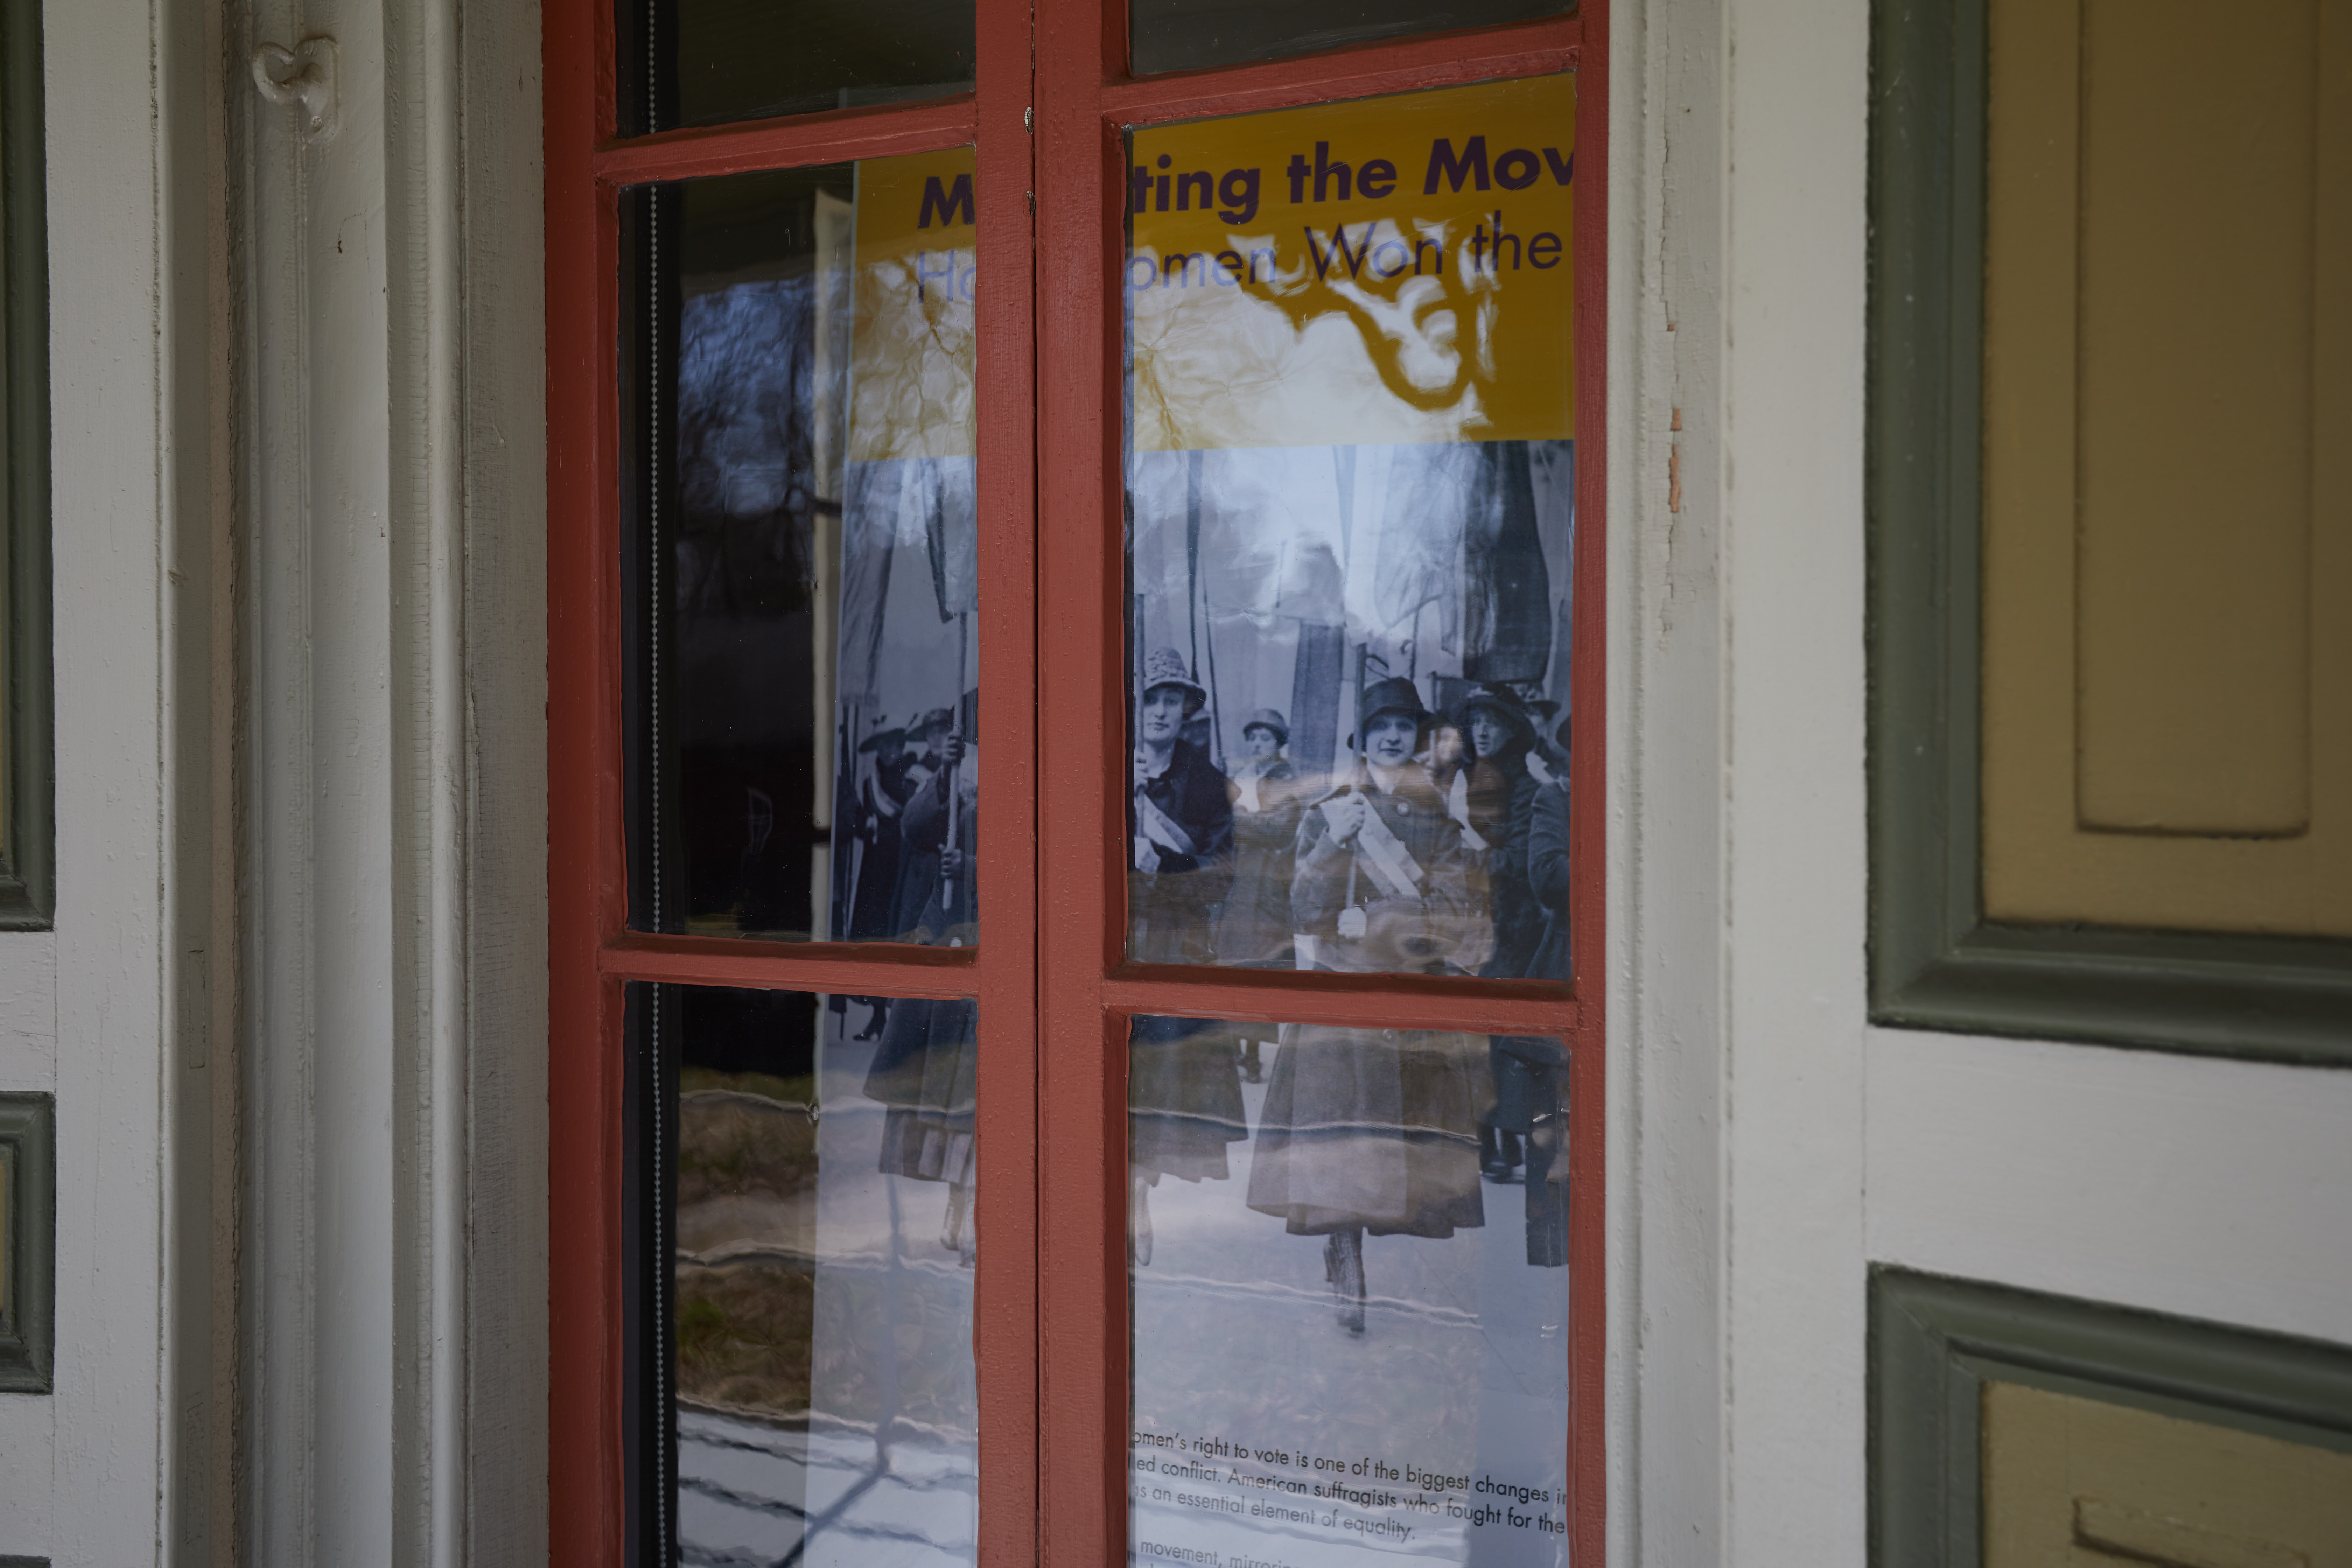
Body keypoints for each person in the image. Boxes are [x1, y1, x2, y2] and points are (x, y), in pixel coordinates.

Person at [1247, 677, 1490, 1333]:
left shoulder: (1438, 817)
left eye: (1404, 727)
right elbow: (1299, 909)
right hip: (1340, 995)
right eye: (1381, 724)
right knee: (1341, 1144)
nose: (1392, 736)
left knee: (1393, 1154)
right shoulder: (1330, 807)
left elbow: (1452, 913)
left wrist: (1380, 916)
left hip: (1404, 995)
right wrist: (1331, 844)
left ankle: (1371, 1250)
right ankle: (1343, 1252)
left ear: (1415, 739)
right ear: (1363, 735)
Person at [1126, 649, 1244, 1266]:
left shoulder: (1206, 783)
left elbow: (1221, 876)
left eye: (1173, 699)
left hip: (1171, 944)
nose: (1161, 710)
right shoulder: (1102, 765)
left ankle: (1137, 1191)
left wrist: (1166, 863)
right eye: (1151, 697)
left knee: (1154, 1079)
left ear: (1188, 710)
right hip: (1108, 940)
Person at [1459, 684, 1574, 1268]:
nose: (1482, 730)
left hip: (1520, 933)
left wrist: (1469, 851)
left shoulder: (1528, 785)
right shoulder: (1470, 775)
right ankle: (1492, 1140)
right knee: (1490, 1050)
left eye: (1492, 721)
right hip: (1487, 925)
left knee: (1511, 1056)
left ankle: (1501, 1139)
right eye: (1474, 720)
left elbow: (1529, 868)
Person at [861, 728, 982, 1262]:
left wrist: (977, 869)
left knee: (984, 1097)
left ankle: (982, 1210)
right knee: (949, 1094)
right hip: (953, 941)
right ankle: (959, 1206)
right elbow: (914, 829)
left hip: (1008, 941)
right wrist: (946, 775)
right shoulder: (963, 780)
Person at [1213, 709, 1304, 1082]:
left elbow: (1280, 828)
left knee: (1258, 969)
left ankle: (1252, 1054)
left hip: (1266, 888)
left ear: (1278, 743)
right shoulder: (1240, 777)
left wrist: (1237, 820)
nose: (1257, 744)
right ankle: (1232, 1047)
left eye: (1266, 738)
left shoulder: (1285, 779)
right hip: (1235, 886)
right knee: (1230, 965)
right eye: (1253, 738)